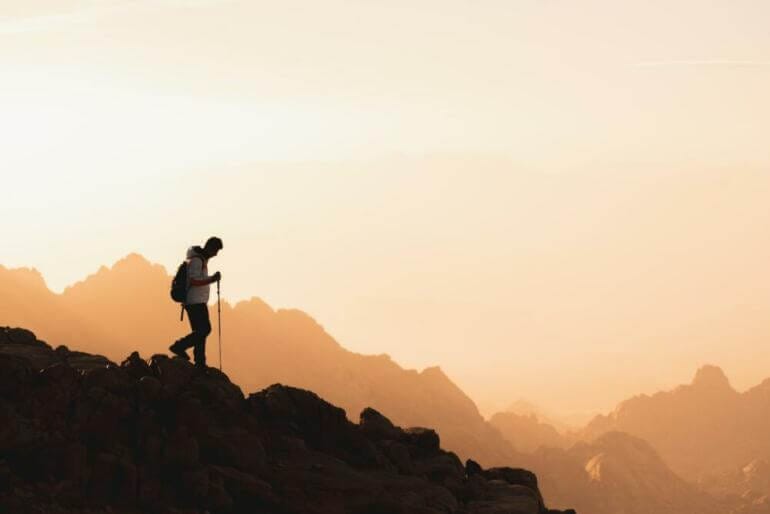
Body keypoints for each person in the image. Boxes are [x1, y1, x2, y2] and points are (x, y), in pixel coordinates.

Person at [169, 237, 223, 368]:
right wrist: (212, 279)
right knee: (204, 330)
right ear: (210, 248)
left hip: (196, 301)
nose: (216, 254)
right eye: (216, 251)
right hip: (195, 301)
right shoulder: (197, 260)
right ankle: (179, 346)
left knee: (199, 332)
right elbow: (193, 281)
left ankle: (200, 362)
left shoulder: (199, 259)